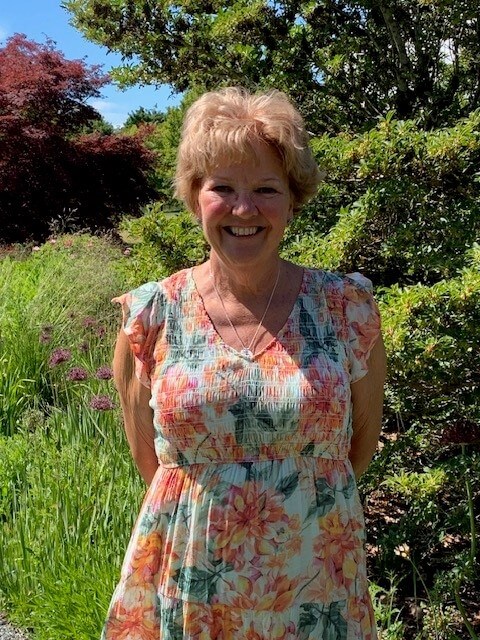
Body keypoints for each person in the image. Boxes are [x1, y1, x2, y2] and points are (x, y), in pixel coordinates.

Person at [103, 86, 387, 640]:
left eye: (265, 189)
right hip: (194, 576)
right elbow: (149, 456)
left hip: (316, 577)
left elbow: (363, 436)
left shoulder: (345, 308)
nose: (243, 208)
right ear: (194, 196)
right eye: (222, 188)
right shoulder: (152, 315)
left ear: (292, 198)